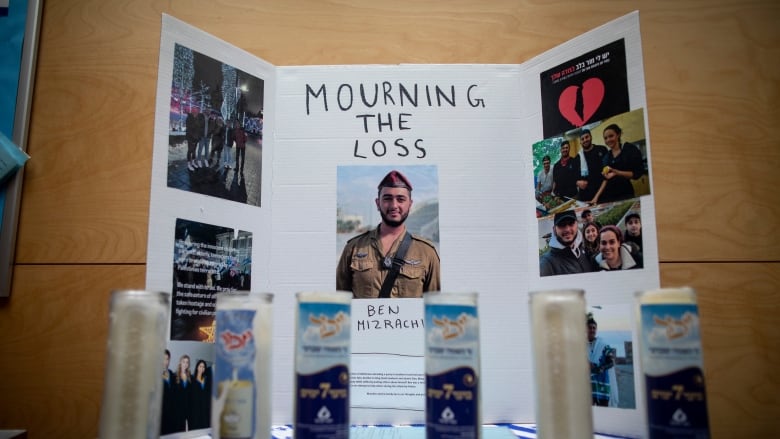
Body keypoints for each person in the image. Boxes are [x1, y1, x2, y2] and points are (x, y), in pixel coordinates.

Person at [336, 170, 440, 298]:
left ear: (410, 204)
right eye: (387, 198)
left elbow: (435, 306)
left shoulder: (426, 252)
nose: (394, 205)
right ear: (377, 203)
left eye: (401, 199)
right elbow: (340, 301)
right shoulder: (353, 248)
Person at [589, 124, 645, 205]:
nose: (608, 140)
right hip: (610, 195)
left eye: (611, 136)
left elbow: (636, 174)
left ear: (618, 134)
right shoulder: (606, 157)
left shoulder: (628, 149)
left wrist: (616, 172)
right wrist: (595, 198)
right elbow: (605, 180)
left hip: (626, 193)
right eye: (605, 138)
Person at [539, 209, 596, 276]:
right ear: (554, 229)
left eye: (571, 223)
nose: (567, 229)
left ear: (577, 225)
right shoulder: (547, 263)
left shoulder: (584, 250)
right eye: (562, 224)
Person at [587, 313, 618, 407]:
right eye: (590, 327)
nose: (592, 330)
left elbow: (611, 362)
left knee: (604, 410)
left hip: (602, 384)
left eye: (594, 328)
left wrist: (601, 367)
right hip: (588, 385)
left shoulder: (603, 345)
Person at [576, 129, 609, 202]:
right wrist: (577, 182)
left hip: (603, 194)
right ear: (580, 142)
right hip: (586, 196)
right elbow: (573, 176)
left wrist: (597, 196)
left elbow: (607, 172)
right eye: (582, 139)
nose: (585, 140)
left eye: (587, 137)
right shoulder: (578, 157)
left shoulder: (602, 149)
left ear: (591, 137)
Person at [189, 360, 211, 430]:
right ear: (197, 367)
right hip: (195, 410)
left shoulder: (206, 379)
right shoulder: (192, 379)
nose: (201, 368)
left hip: (205, 410)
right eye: (200, 366)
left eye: (203, 367)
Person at [173, 354, 192, 431]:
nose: (185, 364)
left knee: (184, 430)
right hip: (177, 408)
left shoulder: (190, 377)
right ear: (180, 362)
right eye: (183, 362)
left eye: (187, 362)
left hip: (186, 407)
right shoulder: (174, 376)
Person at [160, 349, 176, 435]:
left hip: (171, 417)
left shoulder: (172, 375)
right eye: (163, 359)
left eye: (167, 359)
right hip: (160, 417)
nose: (165, 361)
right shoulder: (155, 375)